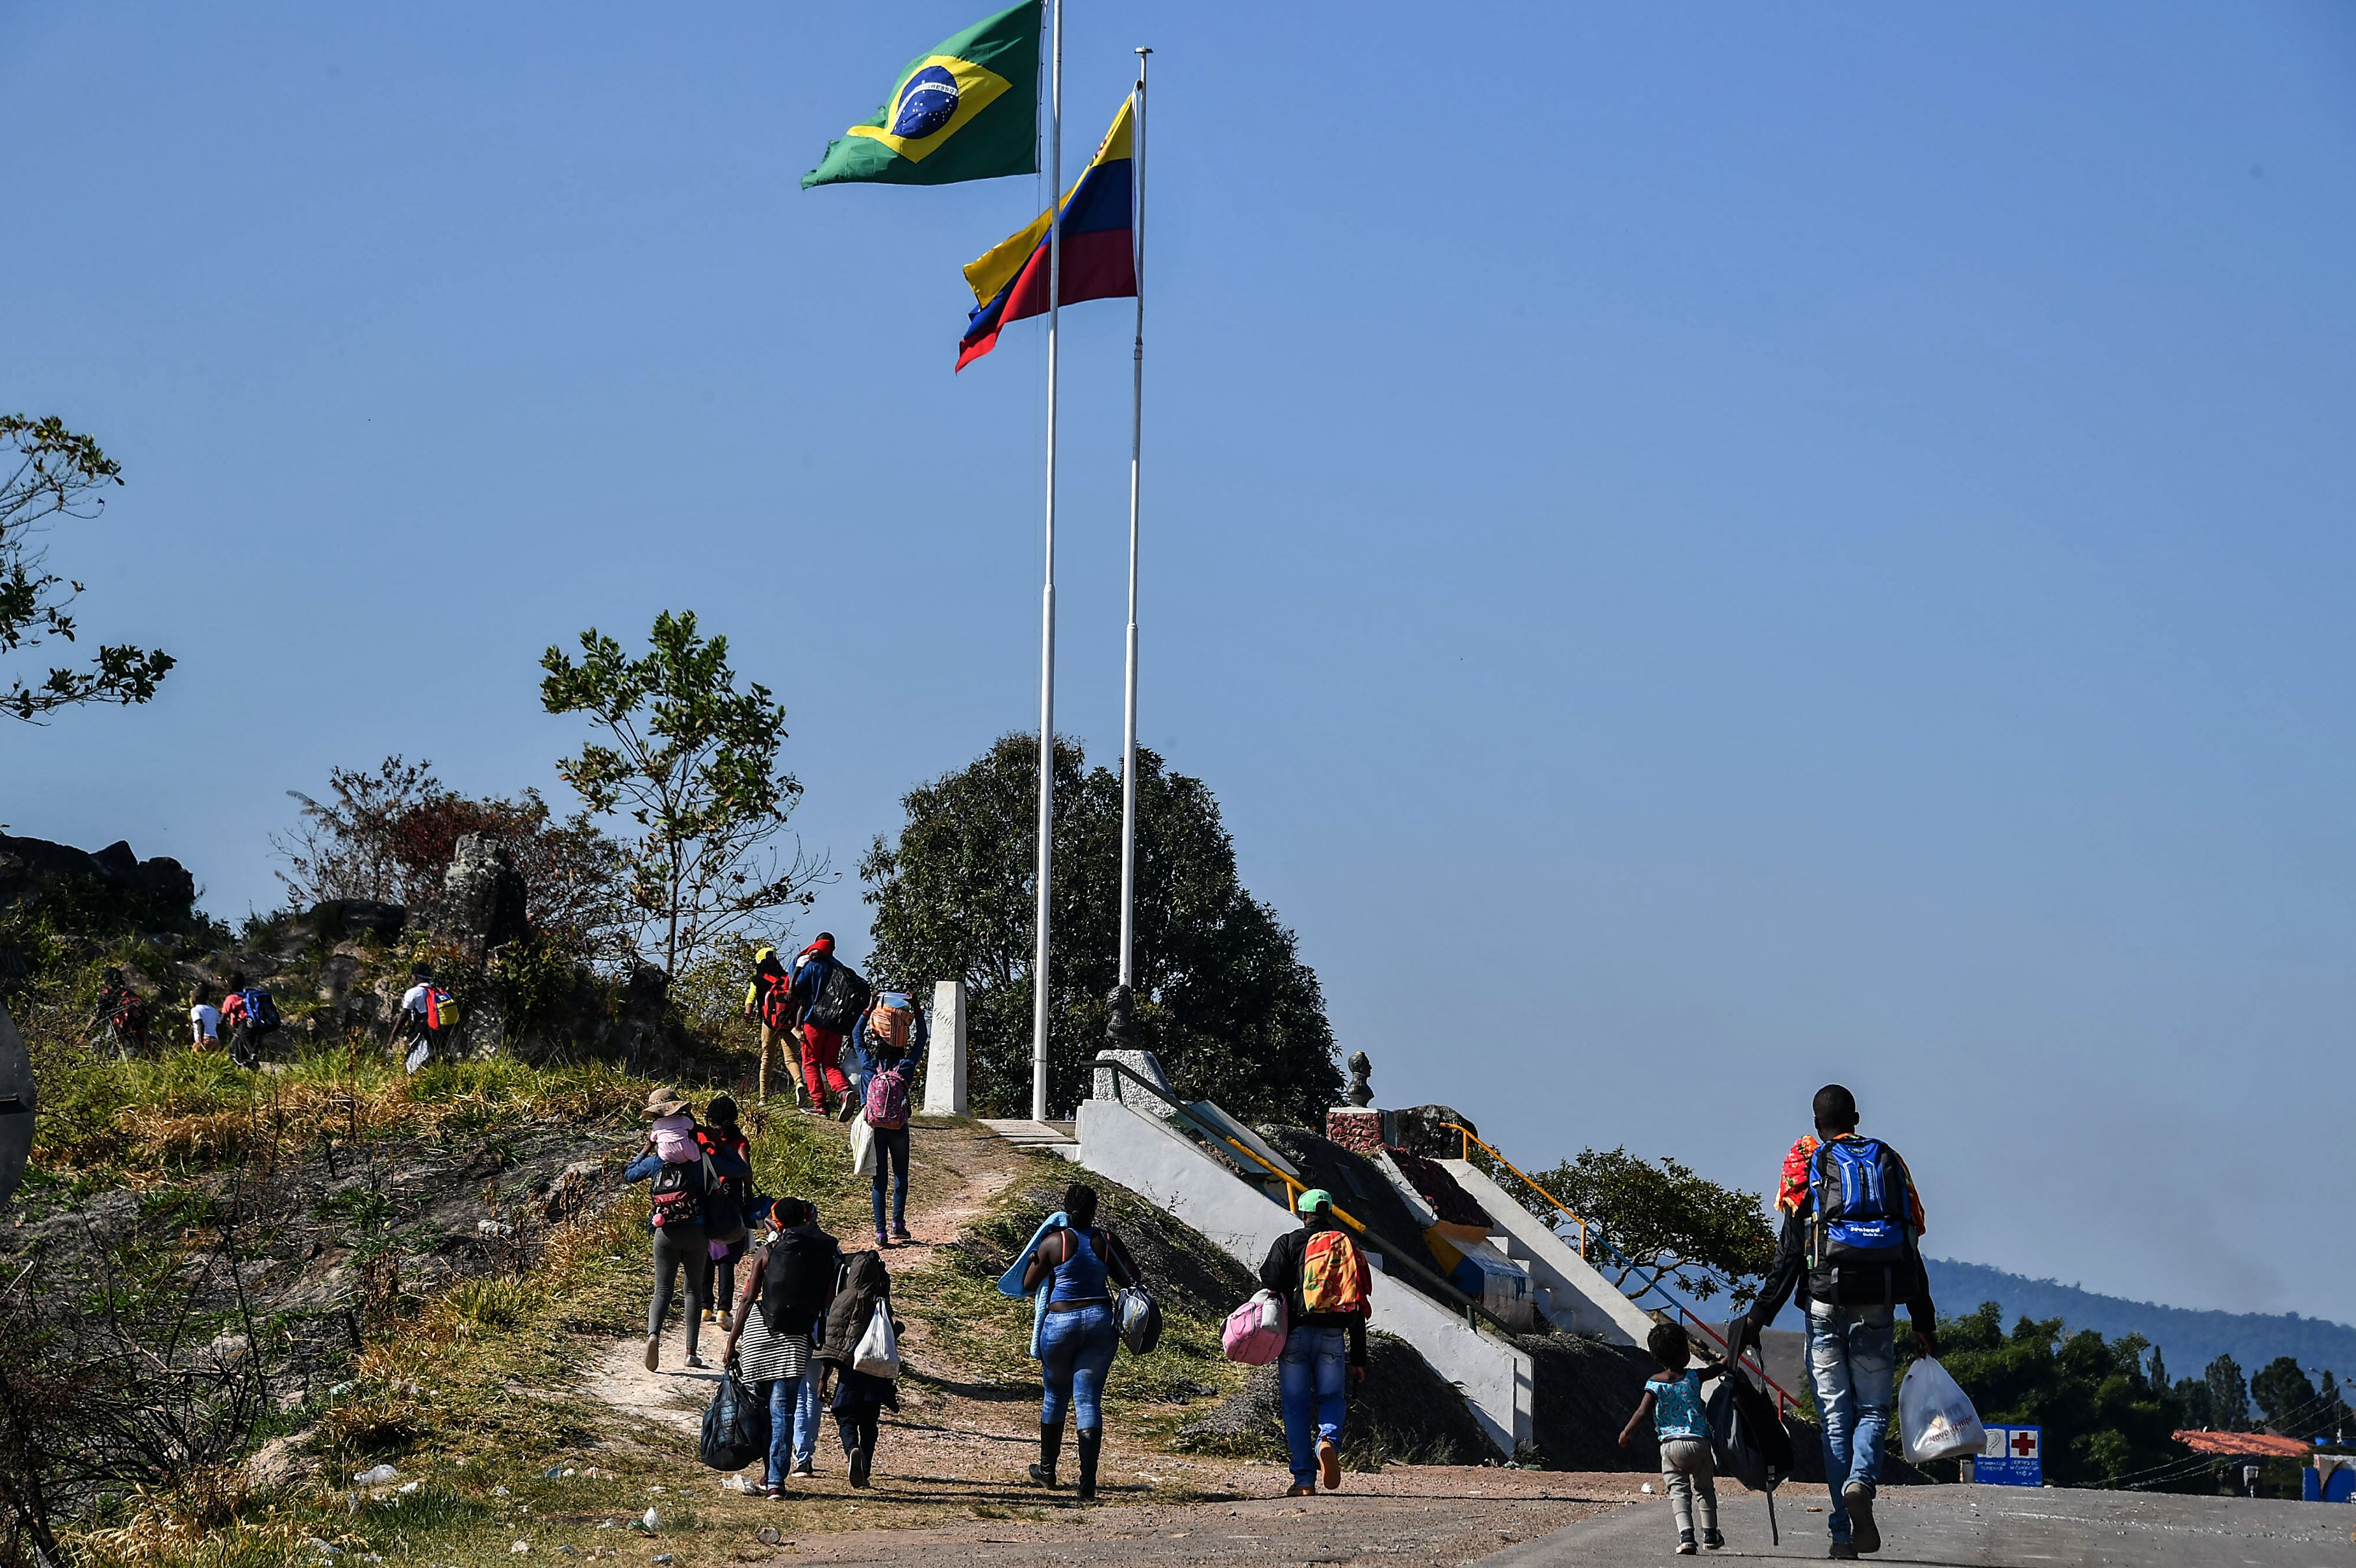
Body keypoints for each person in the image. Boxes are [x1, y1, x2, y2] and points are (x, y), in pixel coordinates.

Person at [1732, 1085, 1937, 1561]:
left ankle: (1843, 1532)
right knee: (1872, 1411)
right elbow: (1910, 1243)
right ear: (1857, 1117)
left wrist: (1758, 1316)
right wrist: (1924, 1319)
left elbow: (1788, 1254)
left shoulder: (1808, 1161)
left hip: (1823, 1302)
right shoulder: (1890, 1161)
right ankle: (1862, 1481)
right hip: (1879, 1304)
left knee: (1834, 1421)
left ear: (1815, 1120)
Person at [1018, 1181, 1137, 1500]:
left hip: (1060, 1323)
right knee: (1088, 1401)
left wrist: (1037, 1259)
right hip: (1099, 1322)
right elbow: (1132, 1277)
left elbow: (1028, 1284)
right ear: (1094, 1210)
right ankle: (1087, 1483)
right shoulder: (1107, 1241)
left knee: (1055, 1394)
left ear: (1064, 1208)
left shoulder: (1055, 1242)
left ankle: (1047, 1470)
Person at [621, 1087, 749, 1373]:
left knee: (662, 1290)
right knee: (692, 1291)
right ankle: (691, 1352)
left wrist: (645, 1148)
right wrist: (713, 1139)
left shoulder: (657, 1162)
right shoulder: (701, 1158)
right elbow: (739, 1168)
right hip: (698, 1231)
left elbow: (629, 1174)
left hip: (664, 1231)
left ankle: (654, 1335)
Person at [718, 1196, 838, 1500]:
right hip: (797, 1338)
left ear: (778, 1222)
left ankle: (767, 1468)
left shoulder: (767, 1251)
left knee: (761, 1408)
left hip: (760, 1334)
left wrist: (732, 1343)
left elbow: (746, 1300)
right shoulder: (824, 1253)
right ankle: (775, 1481)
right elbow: (826, 1301)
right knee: (783, 1411)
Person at [1259, 1188, 1370, 1497]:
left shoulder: (1290, 1241)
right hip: (1334, 1337)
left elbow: (1269, 1280)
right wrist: (1359, 1358)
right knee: (1332, 1398)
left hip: (1295, 1334)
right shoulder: (1347, 1247)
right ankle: (1328, 1441)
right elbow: (1357, 1302)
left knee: (1295, 1406)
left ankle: (1304, 1481)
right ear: (1330, 1213)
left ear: (1303, 1214)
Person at [1619, 1322, 1730, 1554]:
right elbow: (1718, 1367)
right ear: (1685, 1352)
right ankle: (1711, 1534)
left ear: (1656, 1356)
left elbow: (1642, 1412)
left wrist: (1627, 1432)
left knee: (1679, 1491)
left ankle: (1687, 1536)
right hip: (1699, 1443)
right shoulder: (1694, 1377)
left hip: (1671, 1446)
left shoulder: (1654, 1383)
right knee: (1704, 1489)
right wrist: (1733, 1353)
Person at [815, 1246, 897, 1489]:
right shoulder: (883, 1302)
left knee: (846, 1415)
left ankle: (852, 1448)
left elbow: (834, 1341)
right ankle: (866, 1470)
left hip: (850, 1371)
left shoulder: (846, 1299)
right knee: (870, 1422)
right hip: (877, 1370)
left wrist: (823, 1378)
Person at [858, 1009, 919, 1250]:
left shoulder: (869, 1064)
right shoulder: (905, 1066)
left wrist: (868, 1010)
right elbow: (922, 1039)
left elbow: (856, 1037)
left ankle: (881, 1233)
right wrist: (917, 1011)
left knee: (879, 1180)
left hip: (876, 1128)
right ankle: (897, 1224)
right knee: (900, 1176)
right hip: (899, 1128)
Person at [785, 934, 855, 1118]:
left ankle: (820, 1105)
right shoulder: (839, 968)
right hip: (836, 1025)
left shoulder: (814, 966)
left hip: (814, 1022)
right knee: (830, 1064)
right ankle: (844, 1093)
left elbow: (796, 990)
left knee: (810, 1063)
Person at [699, 1095, 755, 1321]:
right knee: (727, 1258)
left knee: (705, 1254)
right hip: (731, 1202)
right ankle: (723, 1309)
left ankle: (705, 1307)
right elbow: (745, 1170)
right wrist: (749, 1195)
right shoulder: (739, 1140)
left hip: (707, 1200)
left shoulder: (705, 1138)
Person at [743, 946, 809, 1109]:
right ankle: (799, 1083)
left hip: (769, 1024)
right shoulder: (786, 977)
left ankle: (763, 1098)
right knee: (791, 1058)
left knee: (767, 1060)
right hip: (788, 1022)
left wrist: (747, 1015)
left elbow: (750, 999)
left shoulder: (758, 979)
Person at [188, 990, 222, 1054]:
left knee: (199, 1061)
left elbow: (200, 1024)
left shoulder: (195, 1010)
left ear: (195, 998)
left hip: (204, 1040)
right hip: (215, 1040)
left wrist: (201, 1041)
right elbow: (219, 1027)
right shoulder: (214, 1010)